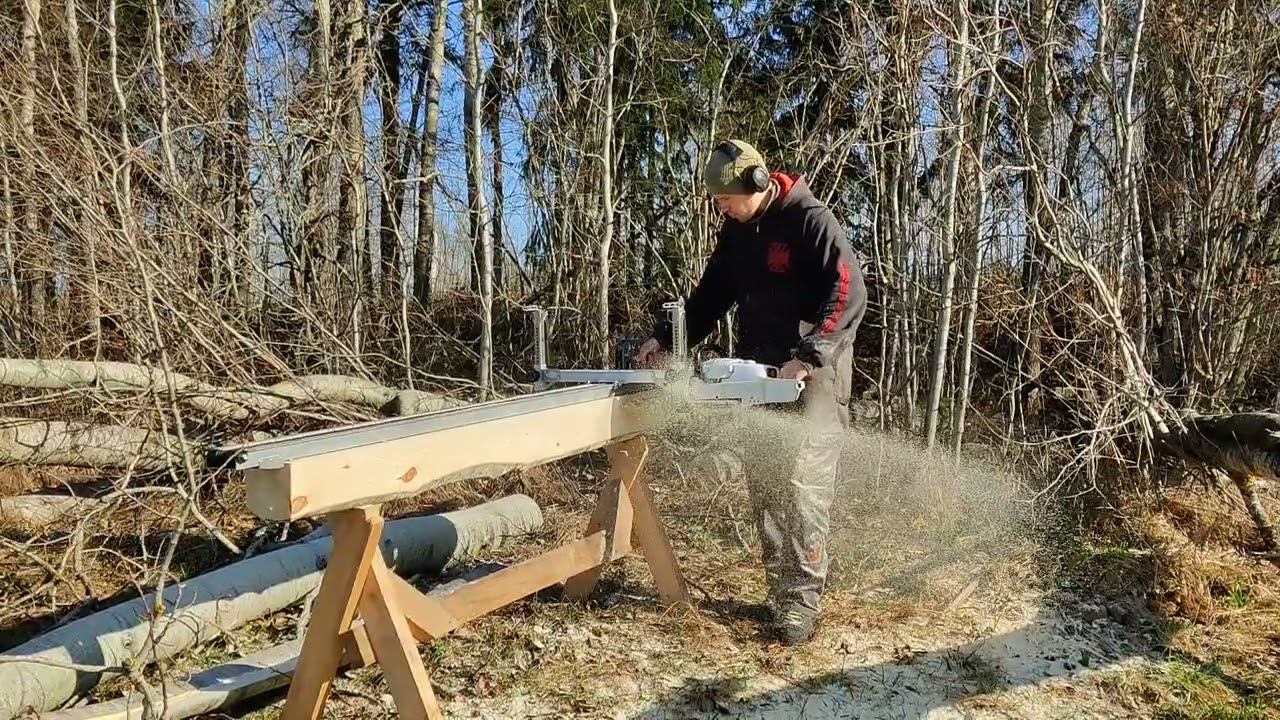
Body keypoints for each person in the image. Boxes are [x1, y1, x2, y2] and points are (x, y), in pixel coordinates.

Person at [634, 139, 867, 644]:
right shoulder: (738, 232)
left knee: (803, 493)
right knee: (766, 487)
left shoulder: (810, 220)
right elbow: (711, 294)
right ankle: (777, 593)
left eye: (725, 198)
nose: (720, 206)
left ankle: (802, 604)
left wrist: (808, 356)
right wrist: (667, 337)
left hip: (815, 383)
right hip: (759, 379)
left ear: (757, 186)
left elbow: (849, 291)